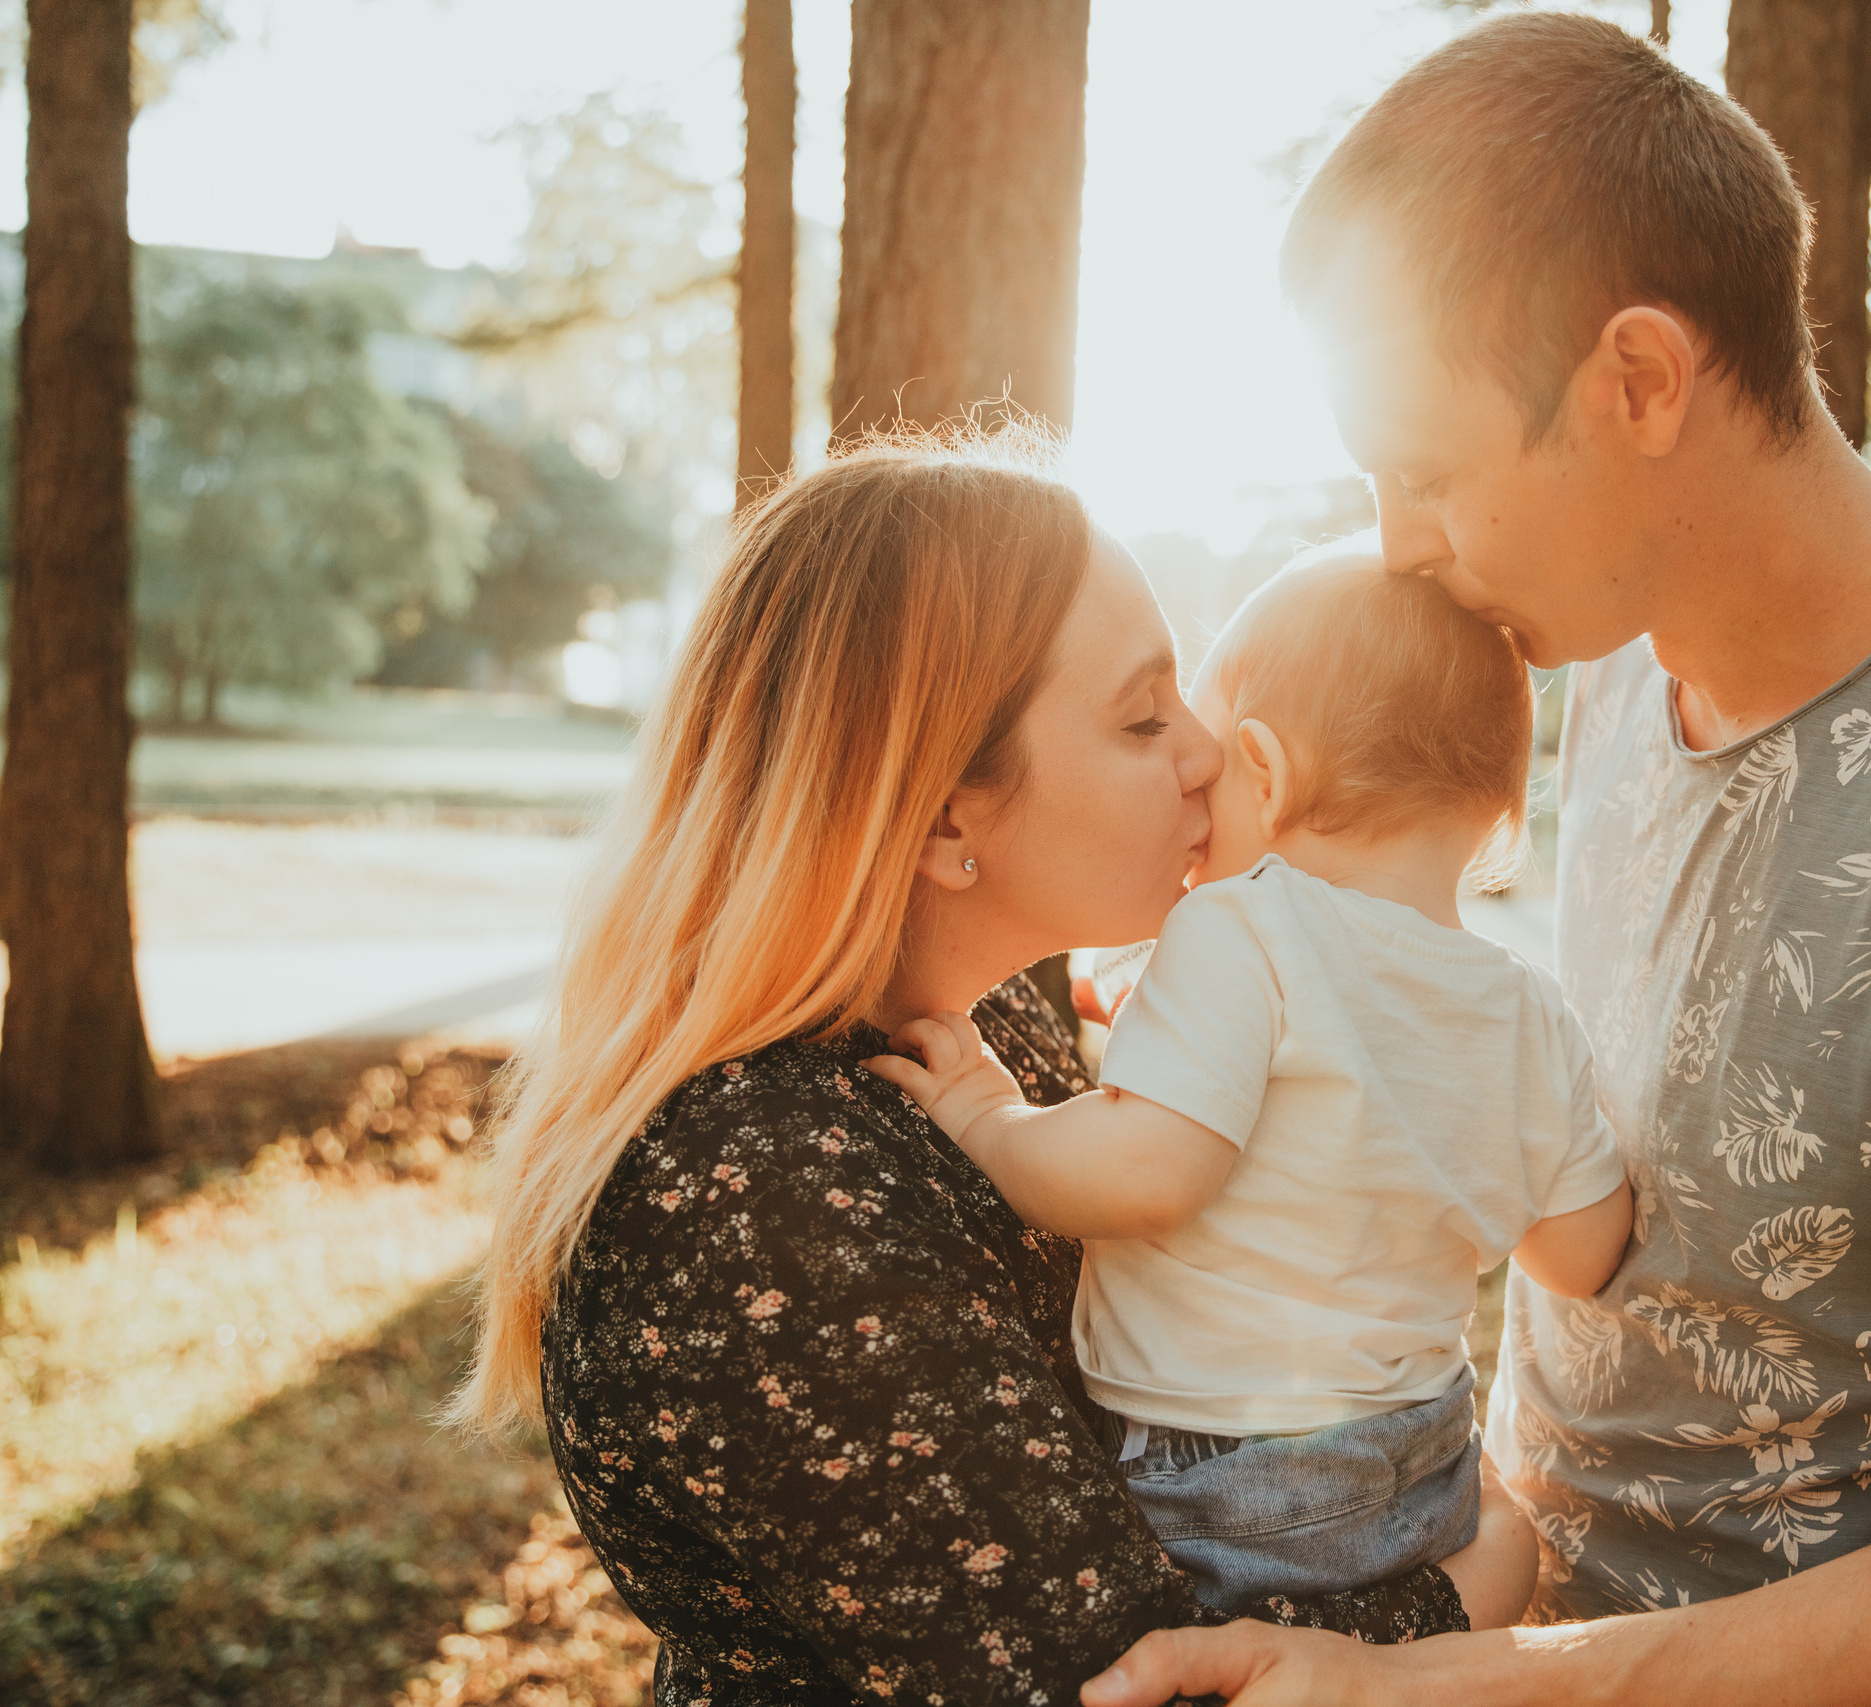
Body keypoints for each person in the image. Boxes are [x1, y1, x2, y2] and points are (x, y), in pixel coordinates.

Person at [1085, 16, 1871, 1707]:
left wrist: (1460, 1684)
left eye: (1426, 473)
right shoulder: (1607, 682)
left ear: (1642, 380)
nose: (1397, 547)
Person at [449, 429, 1539, 1705]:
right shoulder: (754, 1200)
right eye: (1142, 716)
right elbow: (1122, 1686)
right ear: (946, 821)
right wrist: (1482, 1578)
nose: (1205, 752)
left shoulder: (987, 1027)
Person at [871, 548, 1631, 1614]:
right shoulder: (1529, 1010)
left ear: (1265, 774)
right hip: (1428, 1463)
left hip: (1226, 1474)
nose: (1189, 785)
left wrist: (988, 1117)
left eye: (1209, 758)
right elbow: (1581, 1253)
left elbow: (1146, 1170)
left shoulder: (1242, 922)